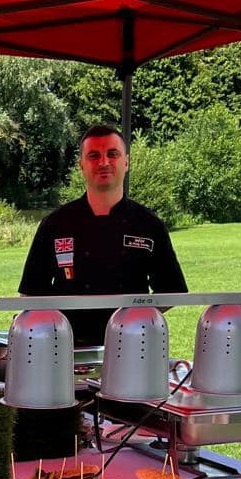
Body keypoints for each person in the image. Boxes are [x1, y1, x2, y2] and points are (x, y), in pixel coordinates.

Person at [19, 124, 187, 347]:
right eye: (94, 156)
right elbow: (30, 294)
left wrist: (133, 322)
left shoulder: (149, 224)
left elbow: (172, 291)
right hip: (66, 348)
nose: (104, 162)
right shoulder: (55, 224)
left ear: (126, 162)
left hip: (133, 347)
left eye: (112, 154)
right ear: (81, 165)